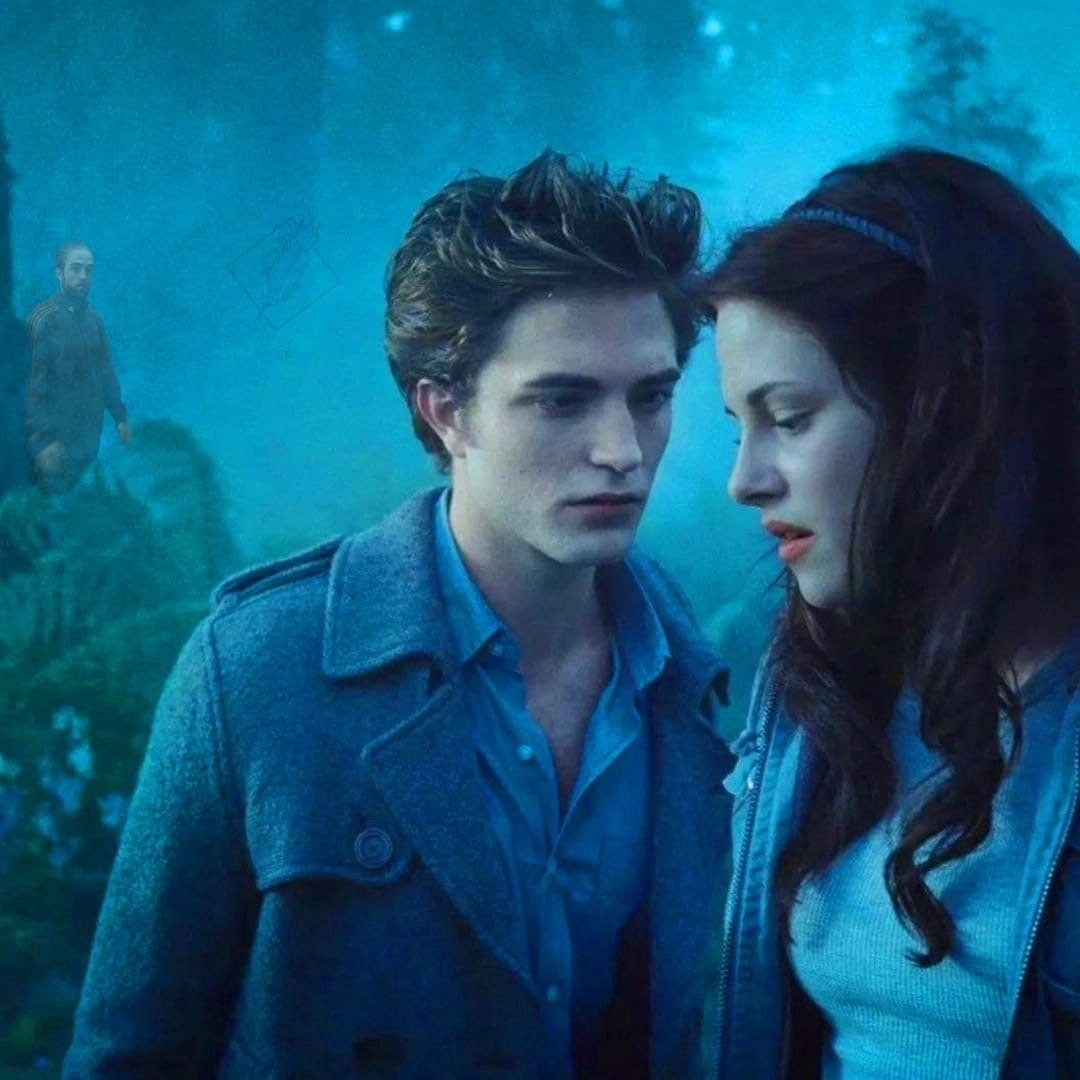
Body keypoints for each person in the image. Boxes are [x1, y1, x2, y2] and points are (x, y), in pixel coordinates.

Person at [64, 151, 733, 1078]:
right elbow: (131, 1053)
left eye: (650, 397)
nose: (622, 449)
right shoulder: (260, 664)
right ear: (445, 410)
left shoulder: (697, 679)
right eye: (562, 399)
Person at [705, 146, 1080, 1078]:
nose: (745, 480)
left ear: (945, 401)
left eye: (790, 417)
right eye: (738, 426)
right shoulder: (813, 690)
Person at [25, 242, 130, 494]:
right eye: (75, 268)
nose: (83, 276)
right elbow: (29, 387)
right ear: (58, 272)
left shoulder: (95, 322)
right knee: (44, 507)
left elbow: (106, 373)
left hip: (87, 441)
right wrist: (42, 441)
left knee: (78, 506)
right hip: (52, 444)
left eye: (88, 270)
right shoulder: (42, 320)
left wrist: (120, 418)